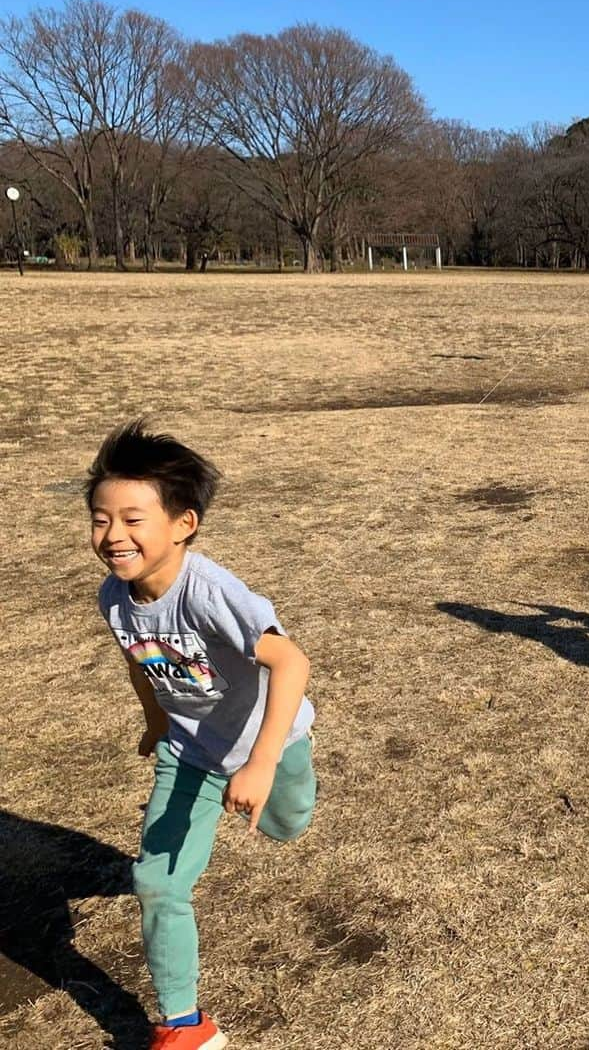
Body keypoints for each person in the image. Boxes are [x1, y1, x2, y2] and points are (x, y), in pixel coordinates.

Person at [86, 419, 316, 1050]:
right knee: (156, 883)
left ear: (183, 524)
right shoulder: (114, 596)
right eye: (102, 519)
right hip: (188, 754)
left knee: (288, 825)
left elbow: (291, 662)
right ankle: (183, 1026)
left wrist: (264, 762)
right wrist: (157, 722)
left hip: (272, 743)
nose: (114, 536)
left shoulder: (211, 592)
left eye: (134, 519)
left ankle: (270, 791)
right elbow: (139, 658)